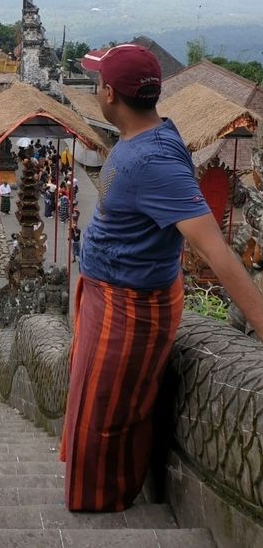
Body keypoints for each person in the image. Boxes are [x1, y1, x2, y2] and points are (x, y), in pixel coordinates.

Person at [60, 43, 263, 513]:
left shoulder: (154, 162)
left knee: (106, 413)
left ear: (109, 93)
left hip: (126, 307)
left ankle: (99, 503)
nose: (94, 88)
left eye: (97, 81)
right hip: (110, 291)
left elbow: (217, 252)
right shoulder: (153, 133)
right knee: (93, 397)